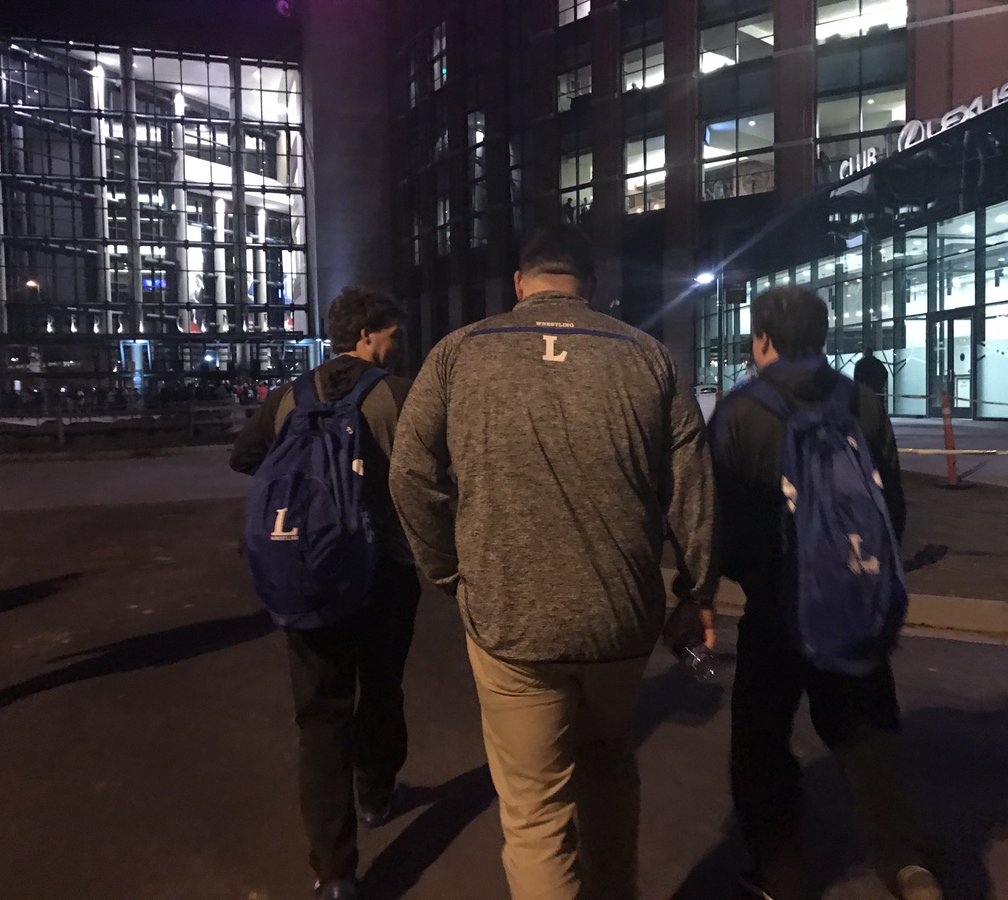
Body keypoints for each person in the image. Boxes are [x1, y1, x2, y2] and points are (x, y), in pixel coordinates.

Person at [389, 224, 717, 900]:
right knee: (609, 771)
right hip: (621, 620)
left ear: (520, 283)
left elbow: (408, 475)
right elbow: (693, 488)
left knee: (536, 817)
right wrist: (696, 590)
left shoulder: (458, 353)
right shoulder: (650, 356)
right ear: (590, 288)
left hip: (511, 620)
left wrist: (448, 571)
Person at [708, 287, 941, 900]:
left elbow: (716, 524)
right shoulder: (860, 401)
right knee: (869, 740)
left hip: (776, 610)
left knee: (761, 743)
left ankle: (780, 869)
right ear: (824, 337)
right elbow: (890, 505)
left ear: (761, 340)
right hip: (851, 600)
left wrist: (711, 587)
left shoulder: (737, 412)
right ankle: (906, 865)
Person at [230, 287, 420, 900]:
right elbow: (429, 473)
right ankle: (375, 791)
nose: (395, 345)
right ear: (368, 335)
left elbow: (245, 456)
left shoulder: (291, 394)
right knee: (382, 686)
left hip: (309, 569)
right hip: (385, 572)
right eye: (391, 334)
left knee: (320, 717)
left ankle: (334, 872)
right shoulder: (395, 393)